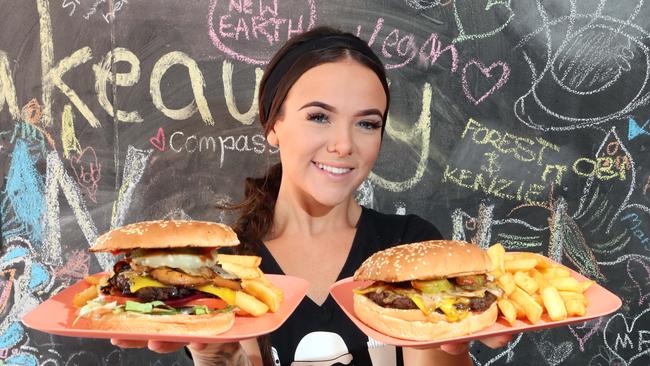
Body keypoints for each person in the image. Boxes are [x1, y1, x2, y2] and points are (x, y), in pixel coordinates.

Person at [111, 26, 510, 365]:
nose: (343, 144)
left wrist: (452, 347)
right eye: (319, 116)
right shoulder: (225, 269)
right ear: (273, 124)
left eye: (367, 124)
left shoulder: (411, 246)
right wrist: (216, 355)